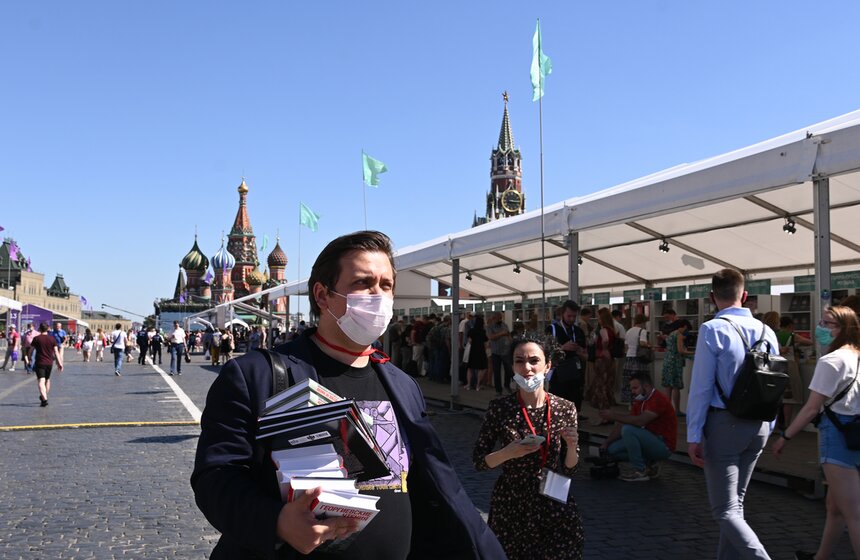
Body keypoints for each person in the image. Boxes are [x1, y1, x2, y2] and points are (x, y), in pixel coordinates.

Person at [192, 230, 505, 559]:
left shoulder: (402, 384)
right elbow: (216, 478)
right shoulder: (257, 376)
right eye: (363, 283)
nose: (378, 296)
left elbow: (431, 484)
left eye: (386, 285)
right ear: (323, 295)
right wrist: (277, 522)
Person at [686, 268, 779, 560]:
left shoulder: (712, 329)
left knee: (725, 511)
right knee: (735, 506)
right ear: (746, 296)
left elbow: (700, 387)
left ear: (712, 297)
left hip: (725, 424)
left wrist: (693, 434)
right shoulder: (768, 331)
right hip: (760, 425)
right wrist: (770, 426)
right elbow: (776, 382)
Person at [472, 336, 583, 559]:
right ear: (512, 366)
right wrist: (507, 453)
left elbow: (570, 469)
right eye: (519, 361)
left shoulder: (565, 408)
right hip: (512, 498)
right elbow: (479, 462)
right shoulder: (500, 408)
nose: (527, 368)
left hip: (553, 492)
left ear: (548, 365)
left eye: (534, 360)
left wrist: (572, 447)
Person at [772, 306, 860, 560]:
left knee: (853, 513)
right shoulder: (856, 355)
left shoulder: (831, 360)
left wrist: (785, 437)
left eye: (827, 323)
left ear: (842, 328)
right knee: (835, 506)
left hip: (837, 435)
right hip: (855, 430)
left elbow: (811, 409)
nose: (820, 327)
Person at [599, 372, 676, 481]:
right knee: (612, 450)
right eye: (632, 388)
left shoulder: (658, 399)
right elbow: (625, 421)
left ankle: (640, 471)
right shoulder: (640, 400)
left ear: (646, 386)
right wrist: (606, 443)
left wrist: (614, 416)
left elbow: (640, 421)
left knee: (628, 430)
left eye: (635, 388)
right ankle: (650, 463)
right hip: (650, 439)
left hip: (664, 444)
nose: (632, 391)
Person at [546, 300, 588, 415]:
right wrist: (563, 347)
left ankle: (573, 419)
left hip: (575, 370)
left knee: (574, 398)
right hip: (558, 371)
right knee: (557, 400)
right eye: (569, 316)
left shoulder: (578, 331)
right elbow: (545, 351)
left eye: (574, 316)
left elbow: (585, 355)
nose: (571, 319)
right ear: (562, 313)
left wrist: (580, 351)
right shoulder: (552, 329)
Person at [587, 308, 618, 417]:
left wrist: (604, 349)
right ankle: (608, 411)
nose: (598, 320)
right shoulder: (612, 330)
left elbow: (605, 340)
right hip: (610, 360)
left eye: (599, 318)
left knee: (601, 384)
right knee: (608, 383)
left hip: (601, 359)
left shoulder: (603, 330)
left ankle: (603, 411)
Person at [661, 319, 694, 415]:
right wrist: (694, 352)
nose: (686, 331)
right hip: (675, 362)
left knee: (668, 387)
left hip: (667, 361)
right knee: (676, 386)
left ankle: (667, 409)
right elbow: (681, 351)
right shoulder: (679, 335)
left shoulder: (671, 334)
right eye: (686, 329)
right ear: (684, 326)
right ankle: (677, 410)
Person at [32, 322, 63, 405]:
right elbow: (56, 352)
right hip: (49, 362)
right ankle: (44, 396)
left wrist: (28, 357)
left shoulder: (36, 338)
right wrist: (60, 363)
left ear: (40, 329)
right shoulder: (52, 339)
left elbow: (31, 350)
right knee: (47, 379)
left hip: (40, 362)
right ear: (48, 329)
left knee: (41, 380)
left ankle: (44, 399)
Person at [622, 314, 651, 404]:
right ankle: (640, 402)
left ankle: (631, 403)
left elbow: (626, 346)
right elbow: (642, 343)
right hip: (638, 359)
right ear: (642, 322)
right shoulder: (642, 331)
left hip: (629, 359)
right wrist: (650, 346)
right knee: (640, 381)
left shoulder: (629, 331)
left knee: (630, 382)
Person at [487, 312, 514, 396]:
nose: (500, 319)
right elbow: (491, 337)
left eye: (500, 318)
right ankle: (498, 390)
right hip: (496, 352)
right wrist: (502, 334)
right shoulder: (490, 327)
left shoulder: (504, 325)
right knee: (497, 371)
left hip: (506, 351)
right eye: (498, 318)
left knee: (508, 370)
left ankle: (507, 385)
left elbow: (508, 334)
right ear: (494, 318)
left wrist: (511, 342)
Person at [466, 315, 489, 391]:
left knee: (470, 368)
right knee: (482, 368)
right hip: (481, 351)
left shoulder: (472, 331)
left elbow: (469, 341)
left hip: (473, 351)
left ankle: (469, 385)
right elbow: (486, 343)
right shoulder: (483, 331)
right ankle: (478, 385)